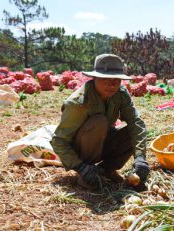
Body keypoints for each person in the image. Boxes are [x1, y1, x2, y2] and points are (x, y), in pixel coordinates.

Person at [51, 54, 150, 189]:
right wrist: (80, 167)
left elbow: (135, 121)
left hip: (102, 142)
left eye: (116, 79)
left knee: (133, 130)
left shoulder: (120, 93)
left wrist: (140, 158)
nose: (112, 84)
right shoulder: (78, 103)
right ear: (95, 77)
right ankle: (87, 172)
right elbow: (59, 141)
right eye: (106, 79)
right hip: (79, 150)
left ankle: (105, 170)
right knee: (99, 122)